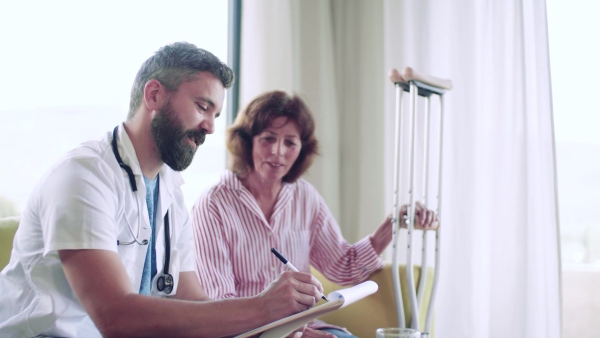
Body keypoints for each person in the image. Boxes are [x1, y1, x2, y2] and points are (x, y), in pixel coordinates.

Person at [0, 43, 325, 338]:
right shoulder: (84, 177)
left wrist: (271, 327)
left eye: (215, 115)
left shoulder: (171, 192)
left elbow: (194, 303)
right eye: (202, 106)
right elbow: (116, 318)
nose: (210, 127)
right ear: (154, 95)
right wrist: (261, 308)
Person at [191, 90, 438, 338]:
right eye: (268, 138)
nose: (278, 151)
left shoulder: (305, 197)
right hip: (244, 332)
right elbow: (219, 302)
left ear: (301, 149)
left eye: (290, 142)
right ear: (247, 141)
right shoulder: (213, 204)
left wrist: (393, 223)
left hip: (306, 328)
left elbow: (343, 265)